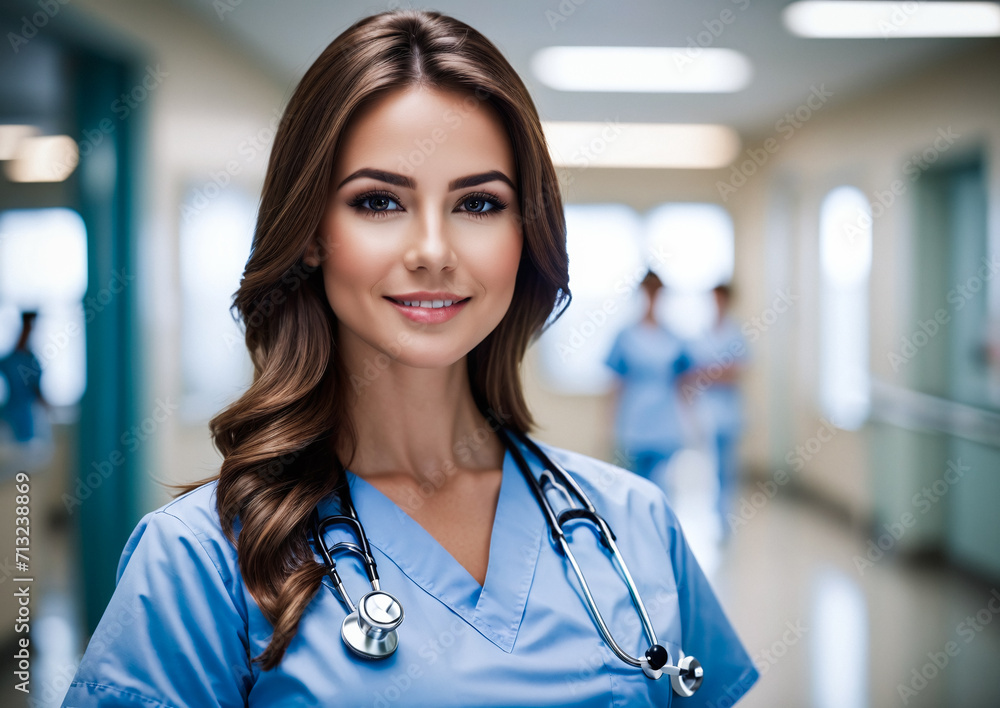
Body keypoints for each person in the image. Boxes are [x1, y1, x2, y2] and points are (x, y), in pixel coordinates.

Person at [63, 10, 758, 707]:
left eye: (480, 204)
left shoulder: (634, 524)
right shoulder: (198, 564)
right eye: (379, 200)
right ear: (310, 235)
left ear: (526, 235)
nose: (432, 250)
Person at [604, 271, 695, 484]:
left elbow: (683, 384)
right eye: (649, 292)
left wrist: (691, 424)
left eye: (657, 292)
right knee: (631, 485)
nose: (653, 297)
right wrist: (608, 426)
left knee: (662, 487)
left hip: (665, 423)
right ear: (641, 293)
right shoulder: (625, 337)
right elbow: (616, 384)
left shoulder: (674, 339)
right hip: (633, 422)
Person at [682, 284, 749, 537]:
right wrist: (716, 372)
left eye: (721, 299)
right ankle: (715, 515)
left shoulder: (735, 333)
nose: (717, 304)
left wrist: (708, 373)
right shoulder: (703, 334)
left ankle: (724, 519)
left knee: (726, 470)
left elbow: (735, 373)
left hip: (729, 414)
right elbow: (691, 372)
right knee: (710, 468)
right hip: (707, 413)